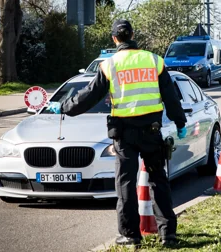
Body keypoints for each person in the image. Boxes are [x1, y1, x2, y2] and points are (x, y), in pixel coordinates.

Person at [47, 19, 187, 247]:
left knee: (125, 184)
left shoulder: (109, 65)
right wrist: (179, 122)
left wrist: (63, 106)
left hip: (124, 134)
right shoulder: (154, 61)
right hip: (151, 133)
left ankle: (130, 236)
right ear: (133, 35)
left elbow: (88, 96)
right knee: (158, 181)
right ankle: (167, 235)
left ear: (114, 39)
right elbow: (171, 97)